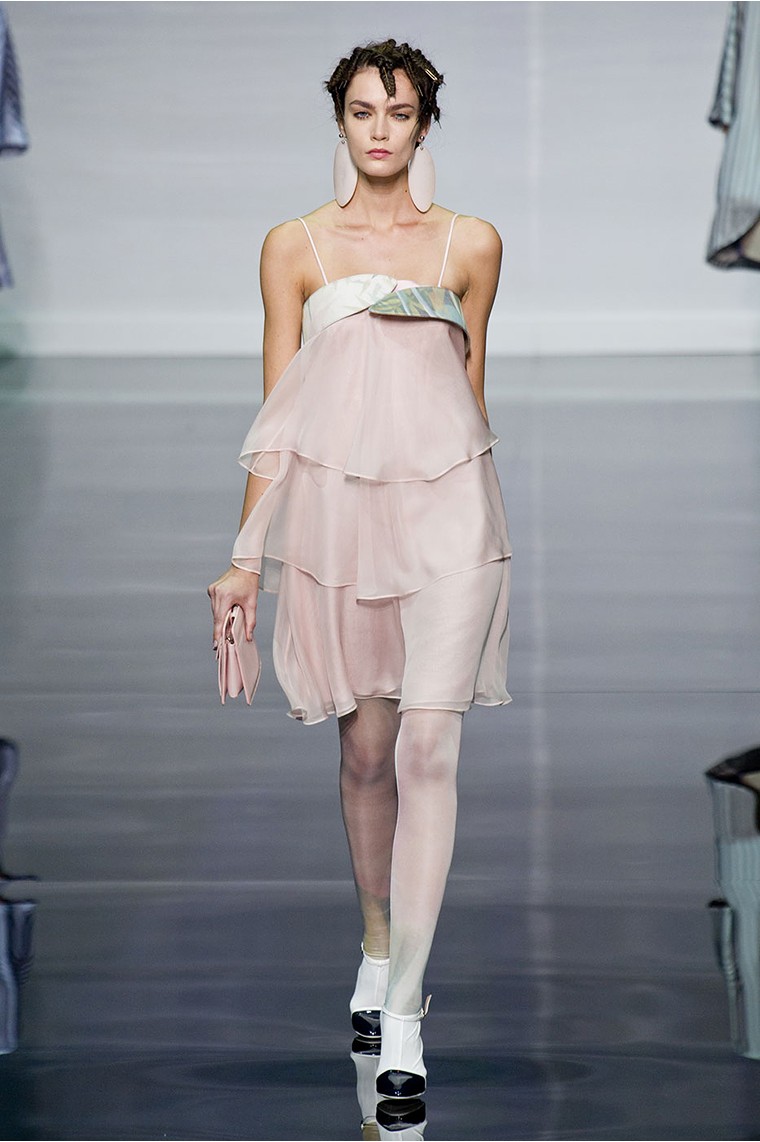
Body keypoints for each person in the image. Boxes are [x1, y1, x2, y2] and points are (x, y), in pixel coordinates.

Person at [207, 38, 512, 1103]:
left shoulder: (472, 243)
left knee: (429, 746)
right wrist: (245, 557)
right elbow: (278, 418)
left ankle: (408, 1013)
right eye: (363, 111)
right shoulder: (292, 248)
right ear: (339, 122)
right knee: (368, 753)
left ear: (425, 125)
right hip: (343, 522)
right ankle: (378, 945)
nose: (381, 130)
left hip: (450, 516)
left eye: (400, 112)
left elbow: (470, 390)